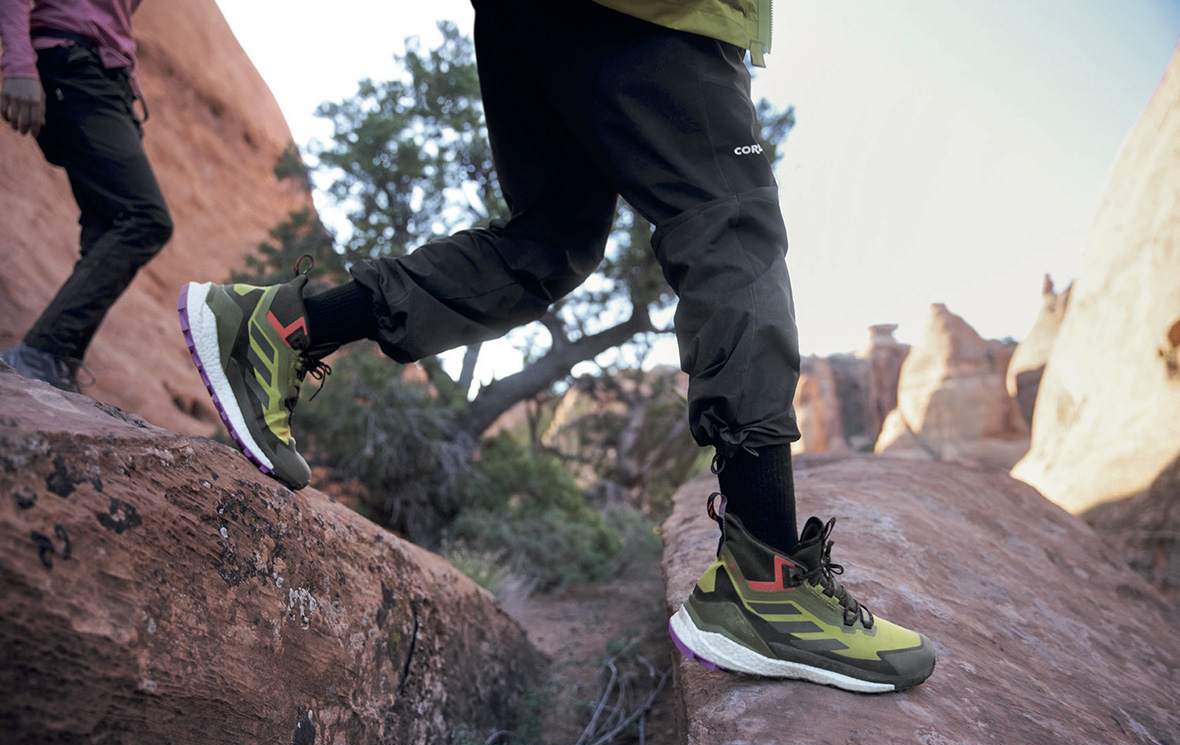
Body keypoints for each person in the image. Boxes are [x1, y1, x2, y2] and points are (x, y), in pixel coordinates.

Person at [178, 0, 935, 693]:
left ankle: (279, 327)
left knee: (547, 245)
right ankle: (767, 580)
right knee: (731, 226)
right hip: (655, 11)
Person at [0, 0, 172, 392]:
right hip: (72, 63)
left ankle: (58, 364)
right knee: (146, 219)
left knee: (105, 226)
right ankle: (39, 354)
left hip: (108, 80)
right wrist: (18, 67)